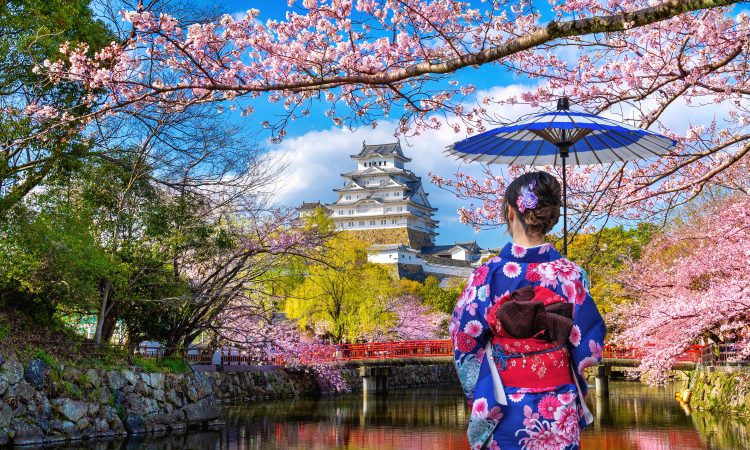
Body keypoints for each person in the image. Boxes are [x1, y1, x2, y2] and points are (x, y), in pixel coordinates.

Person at [450, 171, 606, 450]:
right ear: (548, 216)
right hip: (558, 409)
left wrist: (482, 392)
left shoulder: (487, 275)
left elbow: (464, 341)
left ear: (511, 212)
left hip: (505, 405)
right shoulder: (571, 275)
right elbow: (590, 346)